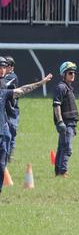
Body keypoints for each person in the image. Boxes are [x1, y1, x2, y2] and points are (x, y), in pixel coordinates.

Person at [0, 61, 52, 193]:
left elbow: (22, 90)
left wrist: (41, 82)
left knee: (1, 165)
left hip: (3, 134)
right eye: (0, 67)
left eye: (4, 67)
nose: (2, 70)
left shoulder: (4, 92)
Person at [53, 62, 79, 177]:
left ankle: (58, 172)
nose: (72, 74)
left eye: (73, 72)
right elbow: (56, 105)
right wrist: (60, 122)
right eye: (70, 72)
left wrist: (73, 127)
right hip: (65, 123)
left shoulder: (69, 88)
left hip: (71, 123)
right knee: (67, 148)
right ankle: (63, 171)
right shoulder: (61, 87)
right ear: (63, 74)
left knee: (62, 147)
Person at [2, 56, 19, 161]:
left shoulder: (12, 76)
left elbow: (4, 84)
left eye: (5, 66)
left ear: (11, 67)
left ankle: (9, 155)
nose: (3, 68)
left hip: (12, 111)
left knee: (12, 132)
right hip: (4, 110)